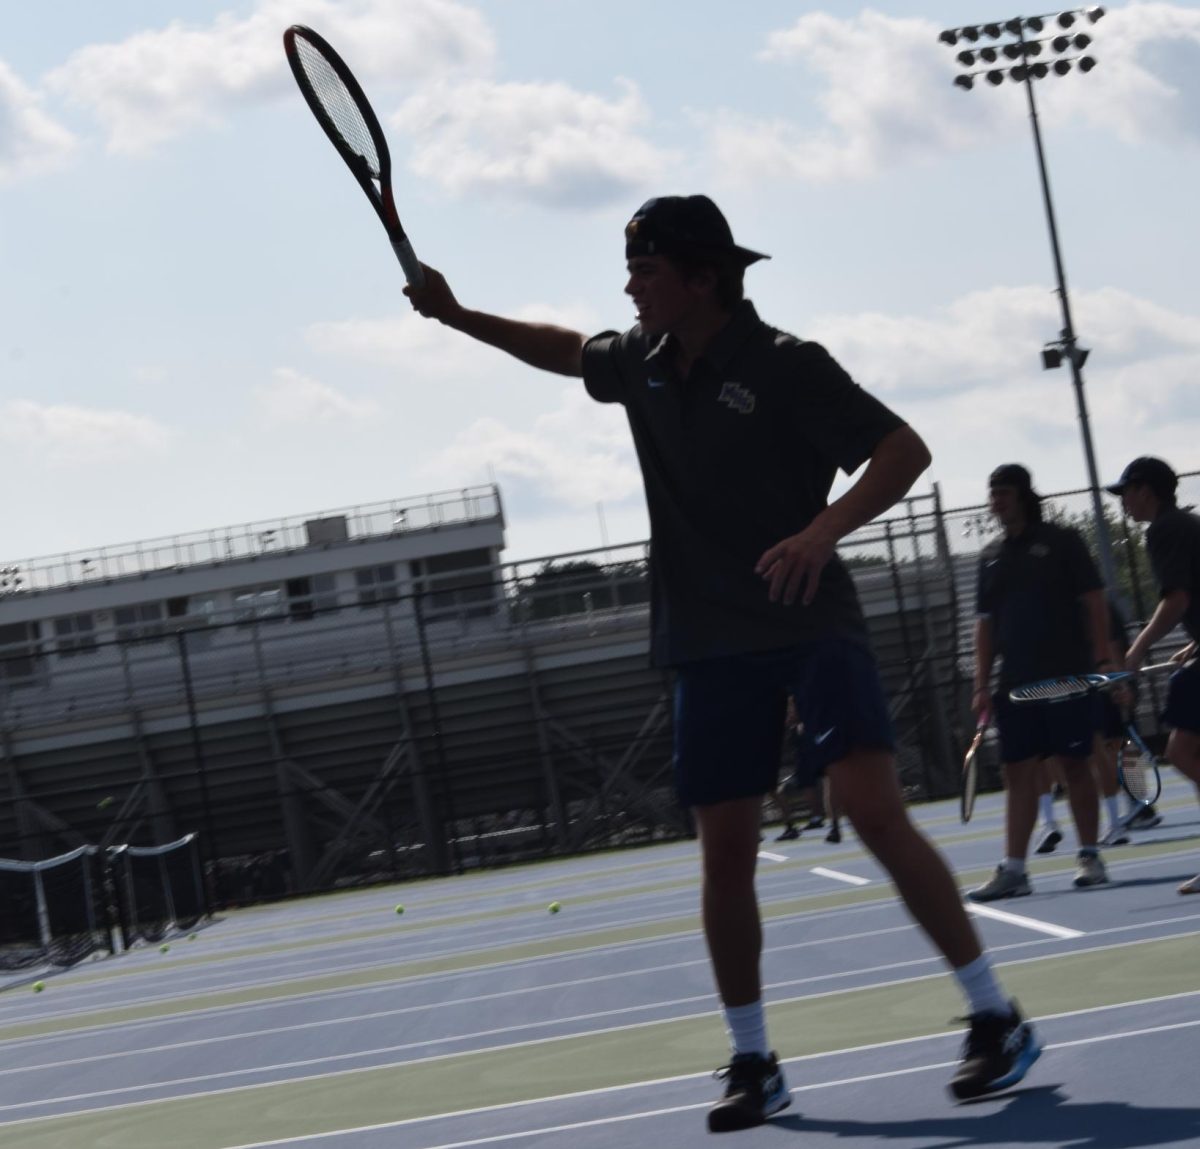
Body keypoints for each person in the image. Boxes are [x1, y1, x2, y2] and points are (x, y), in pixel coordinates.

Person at [405, 194, 1039, 1131]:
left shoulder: (788, 366)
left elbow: (903, 449)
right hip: (707, 638)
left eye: (647, 272)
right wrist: (459, 316)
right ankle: (753, 1057)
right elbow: (562, 348)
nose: (631, 288)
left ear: (703, 278)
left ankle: (996, 1014)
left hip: (807, 617)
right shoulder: (641, 362)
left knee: (870, 809)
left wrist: (823, 531)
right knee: (726, 852)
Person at [968, 464, 1113, 902]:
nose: (997, 502)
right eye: (992, 494)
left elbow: (1093, 600)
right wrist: (980, 683)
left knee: (1074, 765)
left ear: (1024, 496)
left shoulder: (1062, 542)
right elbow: (985, 625)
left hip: (1066, 673)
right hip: (1015, 681)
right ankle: (1014, 870)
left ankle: (1090, 855)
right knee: (1017, 773)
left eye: (1004, 493)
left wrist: (1104, 655)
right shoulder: (990, 555)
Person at [1107, 456, 1200, 894]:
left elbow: (1177, 598)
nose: (1123, 501)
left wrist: (1137, 648)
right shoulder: (1185, 525)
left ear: (1146, 491)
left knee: (1182, 752)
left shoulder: (1165, 531)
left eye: (1126, 492)